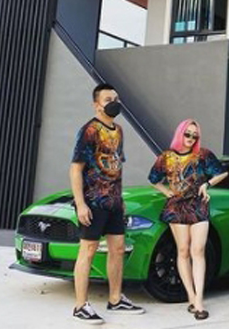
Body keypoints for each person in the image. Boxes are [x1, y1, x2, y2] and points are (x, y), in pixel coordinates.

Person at [70, 83, 144, 324]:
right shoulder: (89, 130)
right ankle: (80, 306)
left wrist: (120, 200)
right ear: (96, 105)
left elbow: (116, 167)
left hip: (114, 202)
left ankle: (115, 299)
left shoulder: (119, 130)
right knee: (88, 250)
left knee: (118, 249)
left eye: (116, 98)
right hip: (93, 201)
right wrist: (81, 203)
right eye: (108, 99)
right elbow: (76, 169)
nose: (114, 103)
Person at [148, 119, 229, 320]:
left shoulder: (203, 155)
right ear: (180, 133)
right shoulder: (166, 157)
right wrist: (166, 192)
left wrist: (207, 184)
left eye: (195, 135)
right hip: (176, 208)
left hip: (198, 206)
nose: (191, 138)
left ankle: (199, 301)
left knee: (198, 251)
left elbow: (222, 172)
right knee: (183, 251)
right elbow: (153, 178)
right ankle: (191, 297)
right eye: (188, 134)